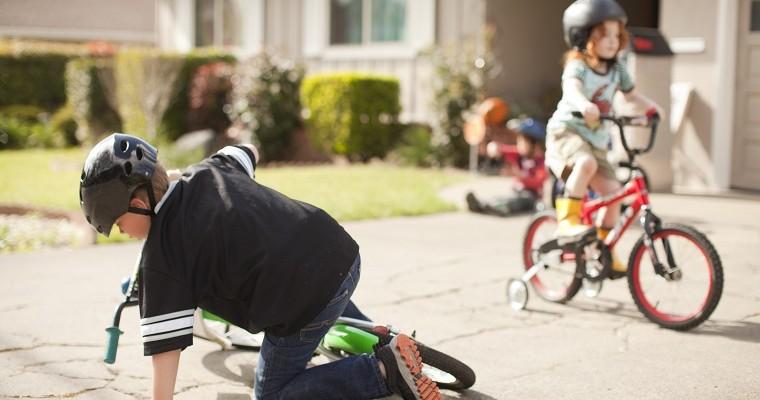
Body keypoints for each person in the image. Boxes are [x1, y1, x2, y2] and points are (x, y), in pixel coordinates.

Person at [79, 133, 440, 400]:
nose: (120, 232)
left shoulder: (164, 259)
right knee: (310, 278)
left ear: (140, 202)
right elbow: (248, 149)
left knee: (272, 396)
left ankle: (381, 370)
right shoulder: (211, 169)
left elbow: (165, 355)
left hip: (301, 300)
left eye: (118, 222)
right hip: (339, 252)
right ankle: (379, 337)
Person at [546, 0, 662, 277]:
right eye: (603, 35)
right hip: (568, 133)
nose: (611, 41)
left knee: (614, 195)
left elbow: (631, 96)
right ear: (583, 37)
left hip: (597, 142)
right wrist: (584, 104)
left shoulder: (617, 69)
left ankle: (603, 249)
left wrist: (651, 108)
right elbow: (571, 89)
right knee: (584, 164)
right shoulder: (579, 66)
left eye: (615, 34)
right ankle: (566, 221)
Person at [466, 117, 547, 217]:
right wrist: (495, 147)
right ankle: (482, 204)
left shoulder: (541, 162)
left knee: (518, 201)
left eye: (522, 142)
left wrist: (520, 176)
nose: (518, 145)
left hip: (531, 196)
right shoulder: (520, 155)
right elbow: (504, 150)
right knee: (501, 198)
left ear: (534, 144)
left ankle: (497, 208)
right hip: (517, 191)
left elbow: (537, 181)